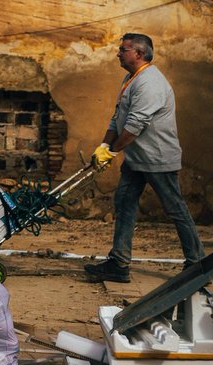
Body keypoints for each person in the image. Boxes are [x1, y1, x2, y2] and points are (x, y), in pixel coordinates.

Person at [84, 33, 205, 283]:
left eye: (123, 49)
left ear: (139, 54)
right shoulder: (131, 78)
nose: (118, 53)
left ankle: (197, 266)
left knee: (175, 209)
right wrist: (104, 145)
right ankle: (119, 263)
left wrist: (113, 151)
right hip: (137, 159)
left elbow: (136, 124)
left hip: (158, 158)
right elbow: (118, 117)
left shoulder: (150, 83)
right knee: (125, 203)